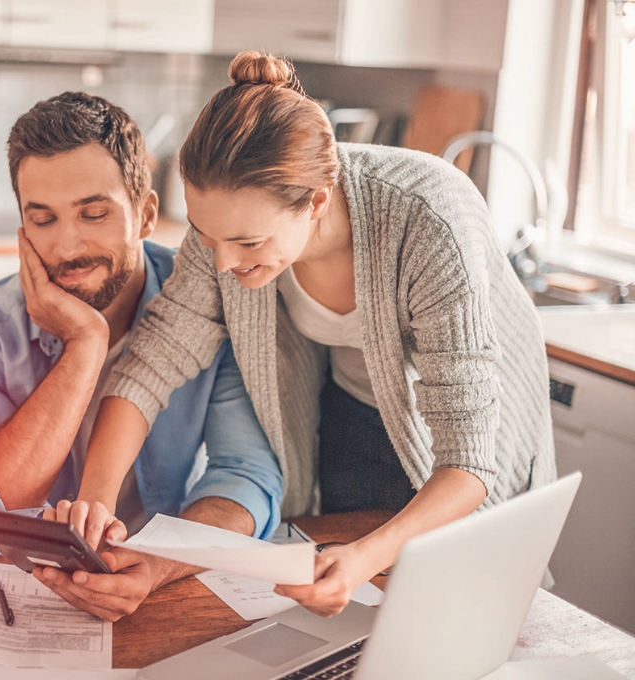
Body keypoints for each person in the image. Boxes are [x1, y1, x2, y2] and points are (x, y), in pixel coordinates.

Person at [55, 52, 556, 618]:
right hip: (353, 411)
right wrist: (93, 503)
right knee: (365, 618)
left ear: (316, 202)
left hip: (469, 440)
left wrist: (363, 557)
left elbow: (470, 460)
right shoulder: (227, 226)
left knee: (463, 605)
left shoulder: (428, 218)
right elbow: (154, 359)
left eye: (246, 243)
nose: (221, 264)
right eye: (205, 235)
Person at [0, 91, 283, 620]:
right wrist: (85, 346)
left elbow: (246, 479)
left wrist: (158, 563)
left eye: (93, 214)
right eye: (43, 220)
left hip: (168, 583)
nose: (68, 247)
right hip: (31, 601)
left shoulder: (210, 310)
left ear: (145, 215)